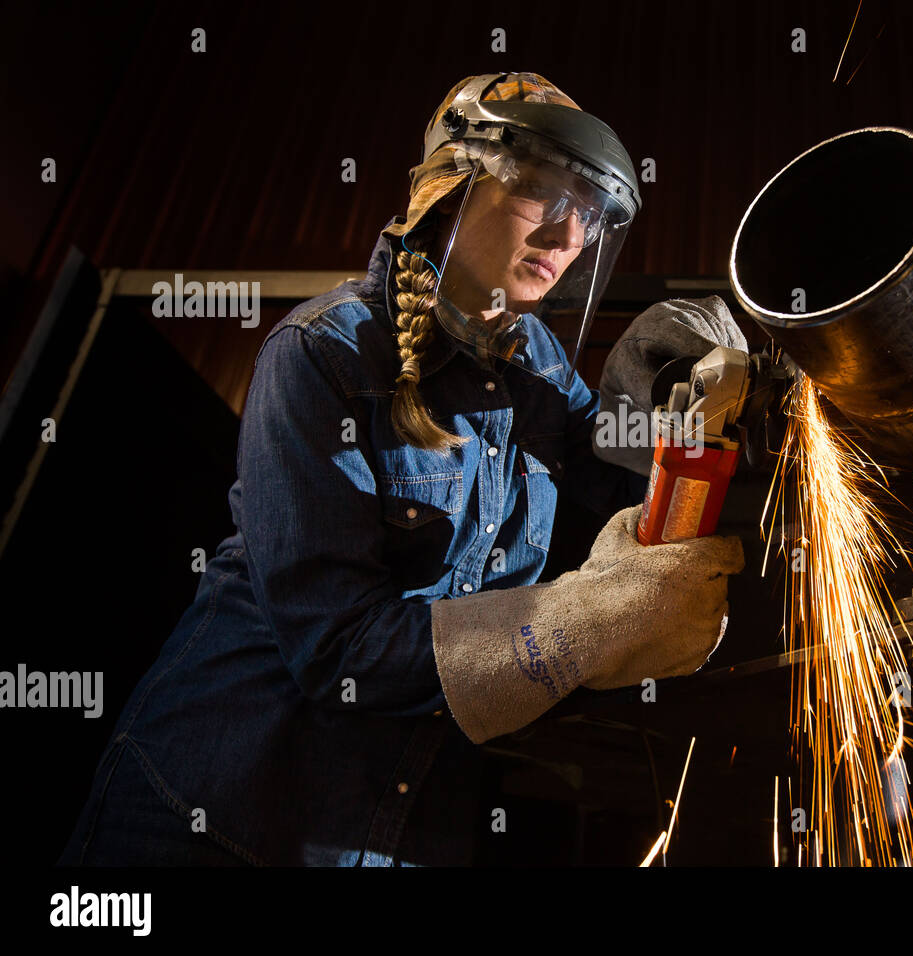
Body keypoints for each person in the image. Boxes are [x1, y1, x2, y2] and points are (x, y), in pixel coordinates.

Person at [57, 72, 746, 866]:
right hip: (215, 815)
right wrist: (570, 632)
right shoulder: (325, 353)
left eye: (589, 217)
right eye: (542, 195)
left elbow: (623, 506)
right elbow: (338, 646)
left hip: (390, 838)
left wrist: (673, 379)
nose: (566, 238)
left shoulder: (544, 374)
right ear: (453, 187)